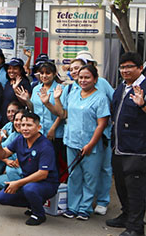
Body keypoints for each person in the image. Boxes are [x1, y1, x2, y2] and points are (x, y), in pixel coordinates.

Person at [57, 64, 109, 220]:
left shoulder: (100, 98)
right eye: (81, 77)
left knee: (90, 177)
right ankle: (72, 207)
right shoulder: (73, 93)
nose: (83, 80)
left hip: (91, 144)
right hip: (71, 141)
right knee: (74, 176)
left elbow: (102, 123)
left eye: (87, 77)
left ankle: (85, 208)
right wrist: (55, 100)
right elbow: (64, 114)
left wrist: (91, 144)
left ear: (95, 79)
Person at [0, 111, 60, 226]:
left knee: (30, 189)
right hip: (28, 181)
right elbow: (2, 155)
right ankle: (33, 204)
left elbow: (43, 174)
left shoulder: (45, 145)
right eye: (23, 125)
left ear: (38, 127)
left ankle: (39, 214)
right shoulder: (20, 140)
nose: (25, 128)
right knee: (1, 197)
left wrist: (18, 183)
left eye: (29, 125)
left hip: (47, 184)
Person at [106, 52, 146, 235]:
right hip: (119, 147)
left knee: (135, 189)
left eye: (130, 66)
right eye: (122, 67)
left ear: (140, 68)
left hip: (137, 149)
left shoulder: (144, 87)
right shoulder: (121, 88)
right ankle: (126, 215)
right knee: (121, 185)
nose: (125, 70)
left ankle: (136, 228)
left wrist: (142, 104)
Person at [15, 61, 65, 166]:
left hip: (55, 132)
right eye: (42, 73)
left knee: (52, 161)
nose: (44, 76)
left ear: (54, 73)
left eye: (48, 73)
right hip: (38, 130)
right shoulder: (36, 88)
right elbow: (33, 109)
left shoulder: (60, 89)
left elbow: (62, 112)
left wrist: (53, 129)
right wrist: (27, 100)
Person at [0, 109, 25, 189]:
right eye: (16, 120)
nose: (18, 123)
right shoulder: (14, 135)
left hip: (30, 171)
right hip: (15, 169)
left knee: (10, 170)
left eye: (21, 120)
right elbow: (1, 152)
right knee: (1, 180)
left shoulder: (34, 136)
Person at [1, 57, 32, 126]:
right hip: (6, 119)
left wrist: (16, 90)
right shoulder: (8, 82)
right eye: (9, 68)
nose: (11, 71)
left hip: (17, 120)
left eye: (15, 68)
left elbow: (26, 103)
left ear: (20, 70)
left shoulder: (24, 83)